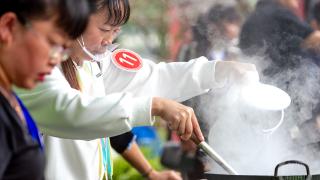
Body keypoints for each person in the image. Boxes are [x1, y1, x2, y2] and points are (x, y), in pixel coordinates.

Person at [16, 0, 257, 179]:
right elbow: (72, 112)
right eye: (104, 29)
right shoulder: (37, 67)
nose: (109, 40)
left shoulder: (92, 65)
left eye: (116, 30)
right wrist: (156, 106)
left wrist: (217, 71)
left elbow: (154, 77)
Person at [0, 0, 92, 179]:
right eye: (53, 44)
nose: (56, 60)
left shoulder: (9, 97)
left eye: (64, 50)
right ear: (8, 26)